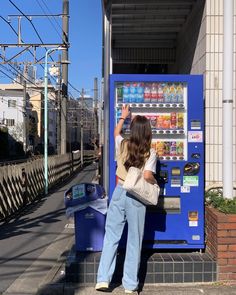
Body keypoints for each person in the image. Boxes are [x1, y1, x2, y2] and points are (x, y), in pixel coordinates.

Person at [95, 105, 157, 294]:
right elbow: (147, 176)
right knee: (134, 241)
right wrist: (156, 182)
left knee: (111, 236)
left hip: (120, 191)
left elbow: (115, 133)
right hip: (136, 197)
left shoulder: (122, 144)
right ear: (147, 132)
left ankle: (103, 280)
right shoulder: (150, 152)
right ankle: (130, 285)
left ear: (132, 130)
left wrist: (123, 117)